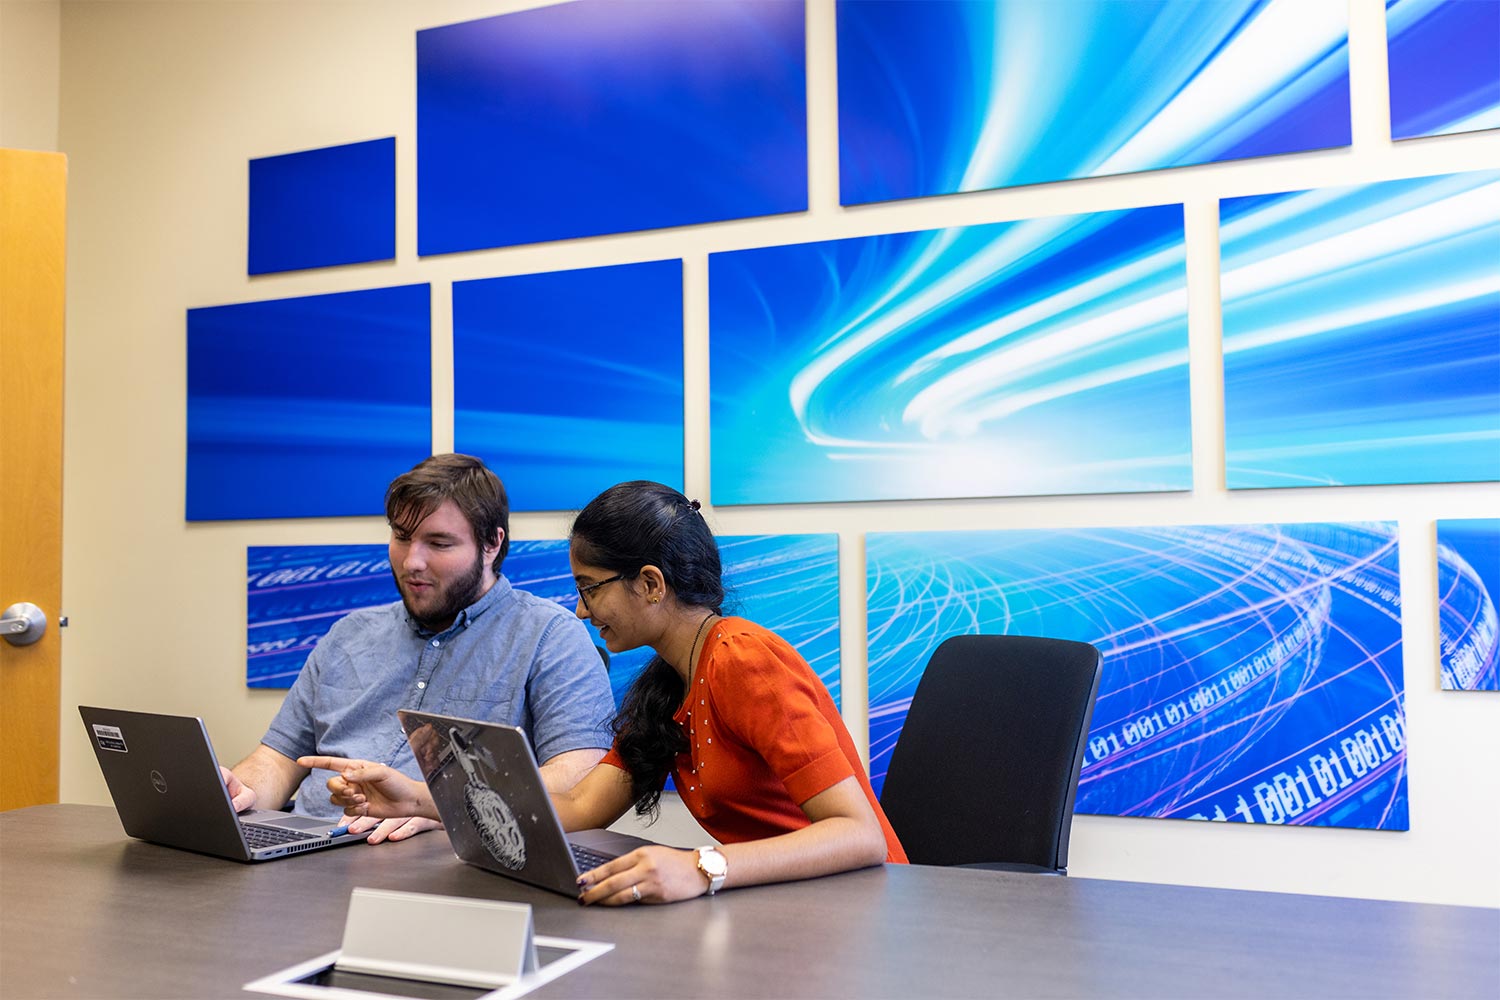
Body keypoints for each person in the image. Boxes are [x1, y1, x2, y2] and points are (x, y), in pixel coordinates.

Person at [301, 480, 907, 900]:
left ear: (649, 584)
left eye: (590, 588)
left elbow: (859, 836)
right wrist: (415, 797)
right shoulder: (668, 685)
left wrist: (701, 866)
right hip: (781, 900)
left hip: (859, 907)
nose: (583, 611)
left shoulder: (744, 661)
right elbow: (576, 808)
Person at [222, 454, 616, 844]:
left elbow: (578, 777)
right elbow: (278, 758)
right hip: (305, 857)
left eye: (439, 543)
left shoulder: (550, 636)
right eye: (402, 536)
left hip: (443, 865)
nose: (412, 562)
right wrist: (241, 789)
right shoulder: (348, 634)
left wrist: (439, 805)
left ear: (492, 544)